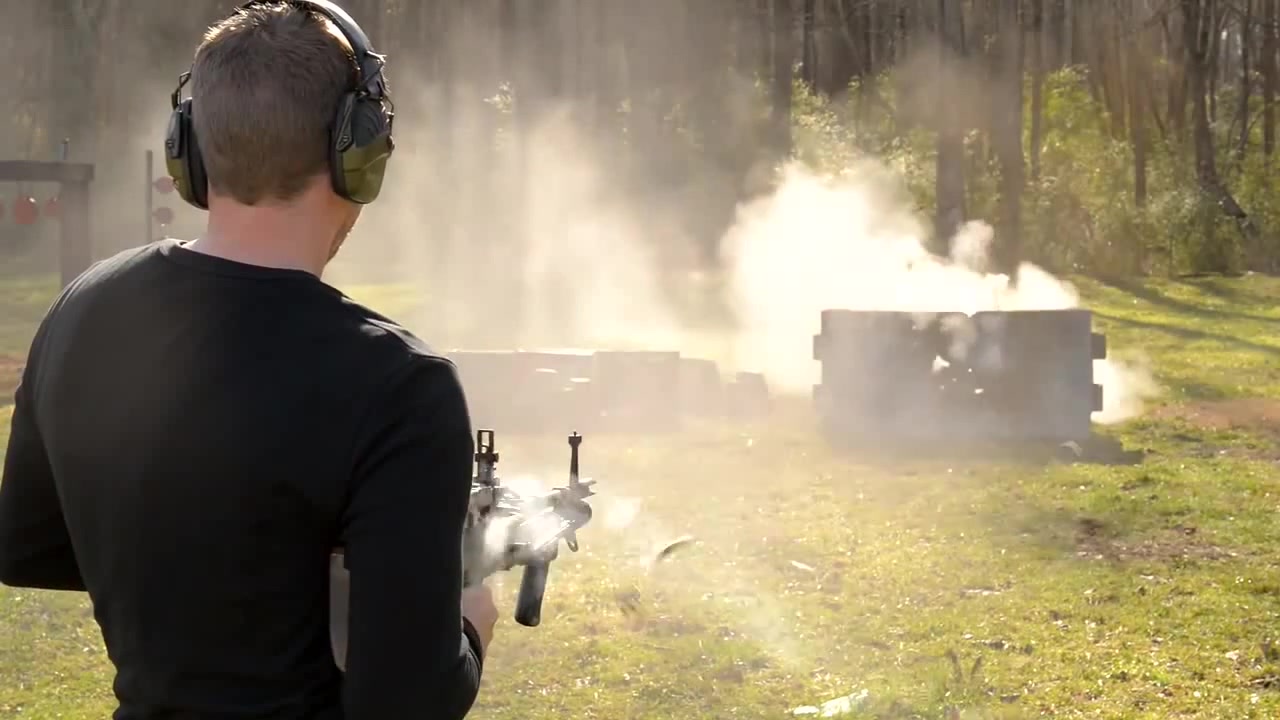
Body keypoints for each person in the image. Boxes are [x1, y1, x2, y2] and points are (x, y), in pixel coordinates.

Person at [0, 2, 497, 718]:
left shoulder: (84, 306)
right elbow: (404, 701)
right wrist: (469, 625)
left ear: (190, 149)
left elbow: (30, 549)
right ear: (359, 150)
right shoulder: (400, 387)